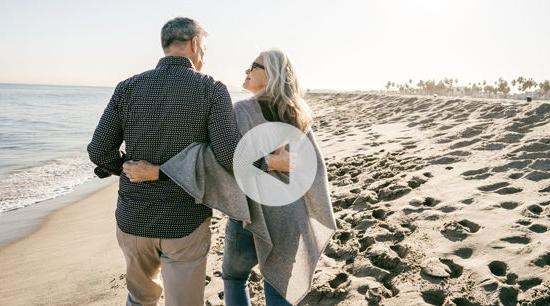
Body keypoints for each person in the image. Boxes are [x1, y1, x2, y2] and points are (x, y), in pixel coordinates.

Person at [87, 17, 286, 306]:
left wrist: (126, 169)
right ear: (194, 44)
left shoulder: (127, 87)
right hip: (184, 221)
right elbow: (229, 157)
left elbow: (98, 150)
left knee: (139, 299)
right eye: (203, 47)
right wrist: (270, 164)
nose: (203, 53)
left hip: (133, 218)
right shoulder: (211, 89)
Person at [124, 49, 336, 306]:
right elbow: (313, 166)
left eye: (254, 66)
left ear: (271, 74)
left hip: (250, 215)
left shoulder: (242, 112)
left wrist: (158, 170)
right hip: (290, 216)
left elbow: (216, 160)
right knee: (279, 285)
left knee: (235, 277)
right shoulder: (298, 114)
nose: (246, 70)